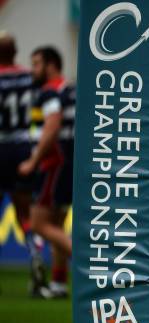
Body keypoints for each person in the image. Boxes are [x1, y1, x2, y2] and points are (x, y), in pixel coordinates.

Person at [18, 47, 74, 298]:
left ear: (51, 64)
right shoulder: (70, 87)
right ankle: (59, 283)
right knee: (57, 225)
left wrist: (34, 159)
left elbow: (52, 124)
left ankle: (94, 269)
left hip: (54, 160)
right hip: (70, 159)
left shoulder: (51, 90)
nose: (33, 69)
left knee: (40, 223)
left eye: (37, 63)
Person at [0, 32, 48, 297]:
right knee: (24, 215)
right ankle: (34, 253)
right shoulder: (29, 77)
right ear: (16, 51)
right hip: (22, 147)